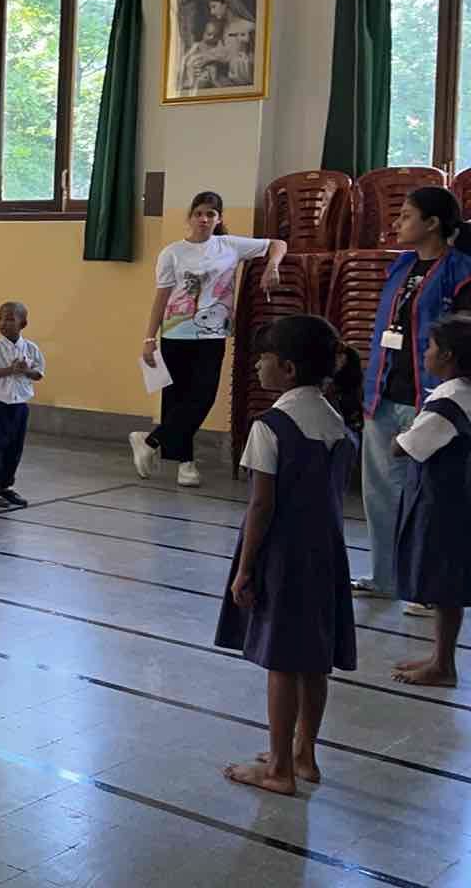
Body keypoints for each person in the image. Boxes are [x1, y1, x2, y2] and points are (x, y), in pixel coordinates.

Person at [214, 316, 358, 795]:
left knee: (281, 661)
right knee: (314, 660)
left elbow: (261, 505)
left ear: (289, 368)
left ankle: (279, 769)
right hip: (327, 552)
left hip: (282, 556)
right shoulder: (336, 421)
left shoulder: (271, 426)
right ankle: (304, 754)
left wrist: (245, 569)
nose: (257, 365)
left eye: (264, 358)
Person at [355, 187, 471, 603]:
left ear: (433, 223)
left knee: (426, 498)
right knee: (380, 492)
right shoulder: (401, 266)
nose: (397, 223)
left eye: (406, 216)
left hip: (432, 399)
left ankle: (425, 587)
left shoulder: (461, 272)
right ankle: (384, 577)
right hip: (384, 392)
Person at [131, 191, 285, 488]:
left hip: (212, 334)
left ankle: (149, 440)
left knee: (203, 396)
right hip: (176, 332)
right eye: (199, 213)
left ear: (219, 219)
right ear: (190, 217)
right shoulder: (172, 253)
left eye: (210, 214)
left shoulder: (229, 246)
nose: (204, 219)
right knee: (176, 399)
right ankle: (184, 463)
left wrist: (272, 265)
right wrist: (149, 337)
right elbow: (161, 298)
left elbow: (277, 244)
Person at [392, 314, 471, 687]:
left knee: (444, 583)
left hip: (444, 503)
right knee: (447, 584)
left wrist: (402, 433)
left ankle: (443, 665)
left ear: (448, 356)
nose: (425, 353)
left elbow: (403, 447)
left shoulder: (449, 401)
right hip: (457, 499)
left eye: (430, 347)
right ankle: (441, 656)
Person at [0, 301, 45, 509]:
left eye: (9, 319)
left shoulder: (31, 349)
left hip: (20, 405)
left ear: (23, 323)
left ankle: (6, 485)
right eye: (0, 318)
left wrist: (26, 371)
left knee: (15, 446)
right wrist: (10, 370)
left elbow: (38, 374)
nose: (3, 323)